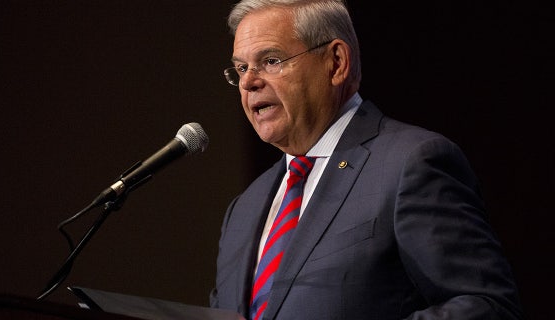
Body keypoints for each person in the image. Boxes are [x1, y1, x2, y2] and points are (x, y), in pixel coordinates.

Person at [209, 0, 523, 319]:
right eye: (241, 68)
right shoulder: (243, 210)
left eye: (271, 60)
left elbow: (489, 307)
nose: (249, 82)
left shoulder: (411, 163)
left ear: (336, 62)